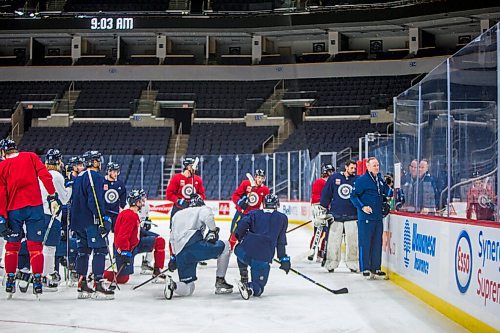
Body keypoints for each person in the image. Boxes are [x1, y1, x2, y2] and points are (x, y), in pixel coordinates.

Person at [0, 139, 61, 297]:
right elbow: (45, 176)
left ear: (2, 152)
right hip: (34, 208)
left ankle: (10, 280)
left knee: (12, 247)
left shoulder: (2, 166)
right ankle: (38, 281)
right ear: (16, 148)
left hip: (14, 210)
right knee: (36, 247)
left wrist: (2, 216)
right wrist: (53, 196)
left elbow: (1, 194)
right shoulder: (30, 156)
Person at [164, 195, 232, 299]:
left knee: (188, 287)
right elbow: (208, 216)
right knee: (226, 245)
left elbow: (172, 238)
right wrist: (213, 230)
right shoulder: (202, 209)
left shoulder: (177, 215)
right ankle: (220, 281)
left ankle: (173, 285)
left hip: (180, 253)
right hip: (194, 247)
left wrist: (174, 257)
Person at [70, 150, 114, 299]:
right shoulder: (94, 176)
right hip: (91, 221)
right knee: (100, 249)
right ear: (94, 162)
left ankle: (82, 285)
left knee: (83, 251)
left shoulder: (79, 176)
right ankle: (98, 284)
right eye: (98, 160)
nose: (100, 163)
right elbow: (94, 200)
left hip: (78, 222)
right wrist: (101, 220)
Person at [233, 194, 290, 300]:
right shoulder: (282, 218)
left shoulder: (253, 213)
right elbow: (280, 242)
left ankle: (244, 274)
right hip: (262, 258)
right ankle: (249, 287)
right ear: (277, 205)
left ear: (263, 204)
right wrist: (284, 259)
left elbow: (241, 225)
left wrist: (239, 236)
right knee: (258, 287)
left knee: (239, 249)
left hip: (244, 252)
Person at [104, 190, 166, 284]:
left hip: (136, 245)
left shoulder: (134, 214)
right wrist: (124, 251)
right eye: (140, 201)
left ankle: (157, 272)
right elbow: (122, 236)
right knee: (123, 279)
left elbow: (136, 232)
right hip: (125, 249)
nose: (143, 202)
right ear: (136, 202)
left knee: (159, 241)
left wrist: (151, 235)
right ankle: (99, 274)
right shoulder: (129, 215)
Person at [350, 157, 390, 279]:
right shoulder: (362, 180)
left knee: (377, 243)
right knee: (365, 242)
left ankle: (376, 267)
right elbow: (353, 196)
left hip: (378, 217)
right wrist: (362, 207)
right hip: (366, 217)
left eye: (378, 165)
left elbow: (386, 193)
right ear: (367, 166)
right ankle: (365, 268)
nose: (377, 167)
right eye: (374, 165)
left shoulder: (379, 180)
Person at [38, 149, 72, 291]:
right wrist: (70, 184)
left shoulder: (40, 175)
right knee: (50, 248)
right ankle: (47, 276)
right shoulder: (57, 176)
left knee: (38, 247)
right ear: (58, 161)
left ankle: (36, 273)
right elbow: (64, 199)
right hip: (52, 215)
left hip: (38, 214)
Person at [229, 169, 270, 282]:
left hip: (254, 217)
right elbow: (235, 196)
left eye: (262, 178)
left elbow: (266, 204)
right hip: (241, 214)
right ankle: (228, 253)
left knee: (251, 239)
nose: (260, 180)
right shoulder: (246, 184)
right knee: (233, 234)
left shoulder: (265, 189)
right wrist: (239, 203)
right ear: (255, 177)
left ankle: (247, 258)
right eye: (258, 177)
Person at [319, 160, 359, 273]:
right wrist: (324, 208)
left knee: (353, 242)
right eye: (351, 168)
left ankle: (353, 264)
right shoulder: (334, 178)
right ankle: (331, 263)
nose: (354, 170)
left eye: (354, 168)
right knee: (333, 242)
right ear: (346, 167)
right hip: (336, 216)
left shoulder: (357, 180)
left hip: (352, 215)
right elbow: (326, 194)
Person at [309, 164, 334, 262]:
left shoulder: (331, 182)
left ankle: (322, 251)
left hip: (327, 208)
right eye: (330, 171)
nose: (331, 173)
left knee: (327, 232)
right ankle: (313, 250)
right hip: (320, 209)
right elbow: (316, 197)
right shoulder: (319, 182)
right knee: (318, 231)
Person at [103, 162, 127, 231]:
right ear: (108, 171)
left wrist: (122, 207)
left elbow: (123, 199)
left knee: (118, 233)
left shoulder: (120, 184)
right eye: (114, 171)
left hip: (115, 214)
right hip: (104, 213)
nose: (116, 174)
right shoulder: (101, 182)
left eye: (117, 171)